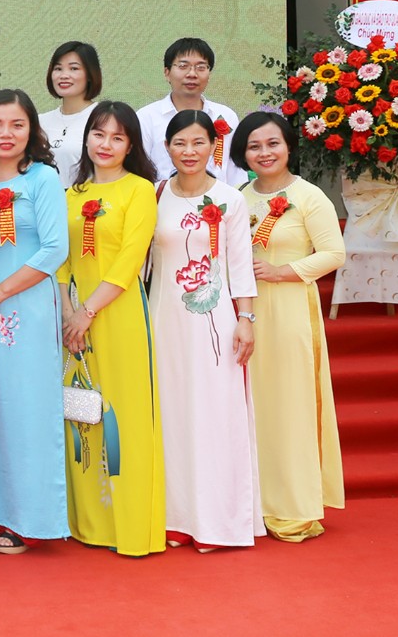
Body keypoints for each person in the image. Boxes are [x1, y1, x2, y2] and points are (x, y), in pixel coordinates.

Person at [231, 112, 346, 541]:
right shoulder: (238, 197)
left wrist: (281, 272)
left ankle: (294, 506)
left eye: (272, 144)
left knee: (291, 406)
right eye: (254, 146)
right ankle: (256, 501)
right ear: (243, 154)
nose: (264, 153)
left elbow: (334, 253)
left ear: (289, 147)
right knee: (254, 407)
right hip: (245, 314)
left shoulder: (309, 196)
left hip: (292, 311)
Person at [0, 90, 69, 553]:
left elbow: (55, 249)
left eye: (17, 125)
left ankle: (30, 518)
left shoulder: (43, 178)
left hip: (24, 308)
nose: (6, 134)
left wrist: (2, 291)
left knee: (27, 408)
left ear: (32, 130)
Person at [151, 109, 261, 550]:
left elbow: (240, 266)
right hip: (164, 320)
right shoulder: (157, 194)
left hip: (214, 322)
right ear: (167, 148)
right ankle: (177, 518)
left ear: (213, 147)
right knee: (172, 414)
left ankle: (218, 522)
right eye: (180, 143)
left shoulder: (230, 198)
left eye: (199, 142)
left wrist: (246, 319)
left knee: (215, 415)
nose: (189, 151)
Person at [57, 101, 164, 557]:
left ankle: (130, 526)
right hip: (74, 320)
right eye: (99, 134)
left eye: (117, 137)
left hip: (118, 314)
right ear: (86, 139)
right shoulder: (71, 193)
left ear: (131, 145)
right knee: (81, 411)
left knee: (123, 413)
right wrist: (69, 311)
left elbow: (129, 260)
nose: (106, 144)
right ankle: (88, 522)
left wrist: (87, 312)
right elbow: (61, 259)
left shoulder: (140, 190)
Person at [138, 37, 245, 187]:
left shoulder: (226, 116)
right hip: (162, 198)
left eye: (201, 67)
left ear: (209, 73)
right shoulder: (146, 117)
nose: (192, 74)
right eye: (183, 66)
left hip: (218, 200)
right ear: (167, 73)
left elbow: (236, 172)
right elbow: (139, 169)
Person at [38, 42, 102, 187]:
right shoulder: (40, 122)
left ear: (90, 74)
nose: (64, 75)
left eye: (74, 68)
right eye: (58, 69)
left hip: (88, 198)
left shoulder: (102, 119)